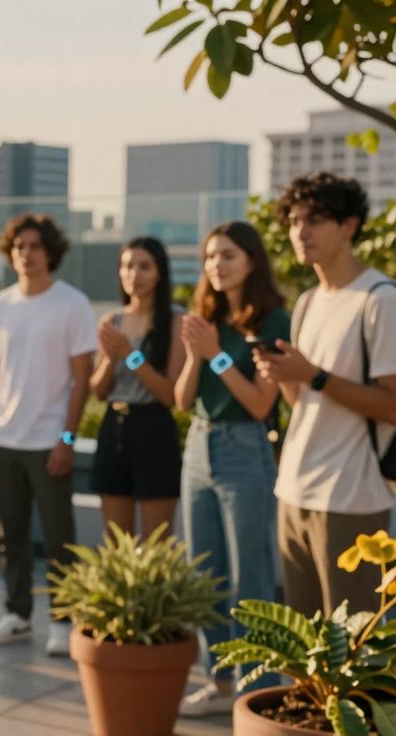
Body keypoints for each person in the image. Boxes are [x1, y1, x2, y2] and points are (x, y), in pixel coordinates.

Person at [256, 172, 395, 618]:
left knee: (354, 655)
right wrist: (284, 375)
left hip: (352, 498)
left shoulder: (379, 299)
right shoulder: (308, 301)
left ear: (349, 226)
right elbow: (303, 406)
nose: (301, 232)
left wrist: (314, 376)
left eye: (314, 220)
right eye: (295, 221)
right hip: (294, 488)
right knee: (304, 648)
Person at [175, 221, 289, 717]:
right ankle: (220, 685)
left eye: (227, 256)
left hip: (245, 449)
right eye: (210, 257)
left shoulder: (272, 320)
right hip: (197, 447)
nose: (216, 265)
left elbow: (263, 404)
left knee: (251, 575)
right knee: (206, 574)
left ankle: (256, 687)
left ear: (250, 261)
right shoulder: (203, 319)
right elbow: (182, 399)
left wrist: (217, 356)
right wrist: (197, 356)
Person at [0, 213, 96, 657]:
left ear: (51, 252)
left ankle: (64, 621)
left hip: (50, 443)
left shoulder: (72, 304)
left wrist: (67, 440)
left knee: (59, 538)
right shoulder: (0, 306)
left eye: (35, 246)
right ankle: (18, 615)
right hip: (5, 439)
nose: (26, 253)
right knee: (13, 535)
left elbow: (82, 380)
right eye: (19, 246)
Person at [89, 237, 185, 537]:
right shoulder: (111, 320)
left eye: (144, 267)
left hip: (154, 427)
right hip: (113, 426)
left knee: (157, 545)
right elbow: (99, 390)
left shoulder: (176, 320)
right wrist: (110, 357)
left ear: (160, 272)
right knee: (117, 543)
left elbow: (170, 394)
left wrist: (130, 355)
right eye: (128, 266)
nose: (135, 274)